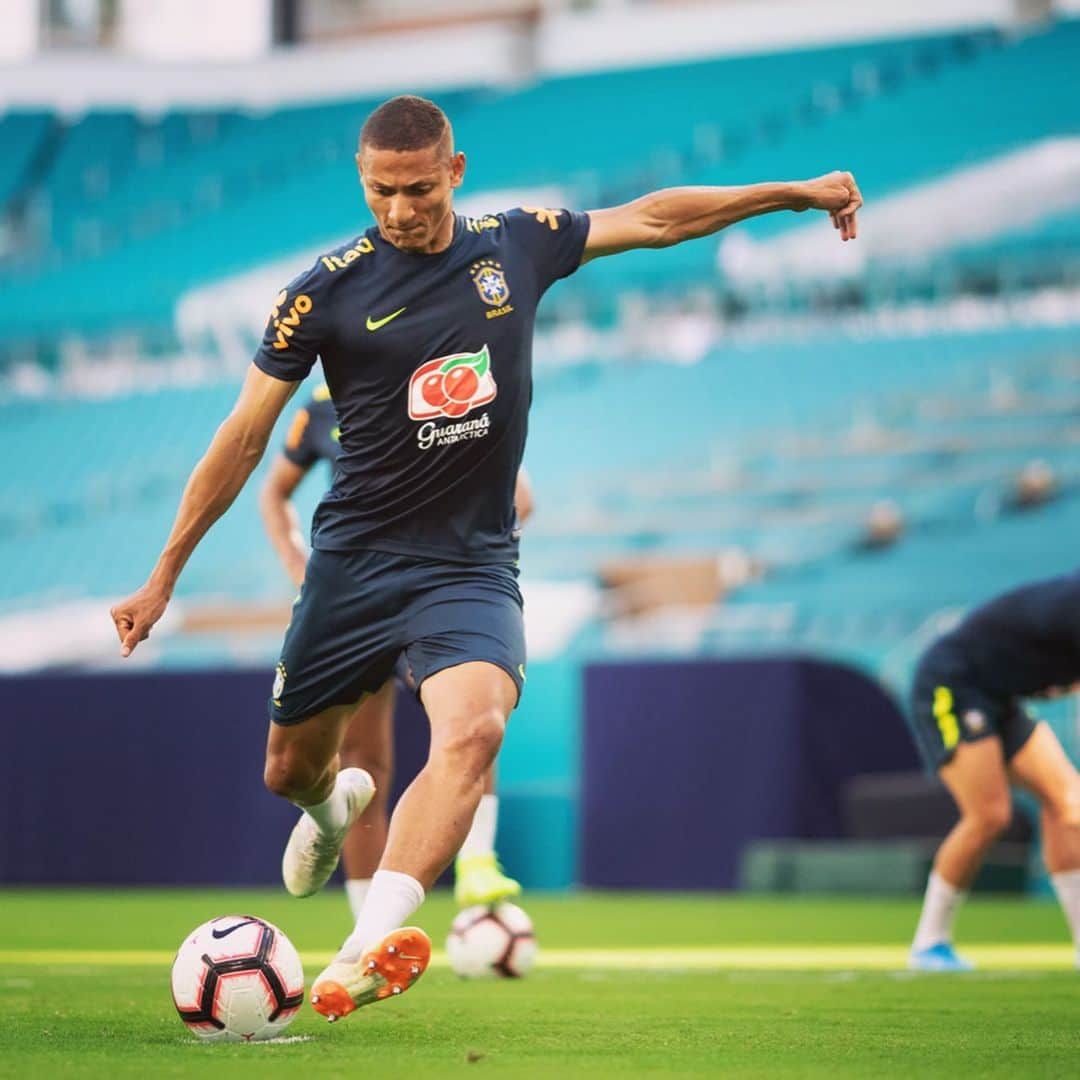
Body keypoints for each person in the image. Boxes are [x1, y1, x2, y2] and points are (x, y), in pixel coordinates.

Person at [110, 93, 862, 1022]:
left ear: (454, 173)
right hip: (354, 565)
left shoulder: (516, 244)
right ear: (362, 180)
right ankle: (329, 808)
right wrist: (163, 574)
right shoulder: (322, 292)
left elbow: (656, 218)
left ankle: (363, 946)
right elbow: (242, 439)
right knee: (289, 772)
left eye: (418, 188)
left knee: (475, 731)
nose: (399, 210)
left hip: (467, 567)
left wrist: (792, 192)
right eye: (381, 191)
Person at [258, 381, 532, 915]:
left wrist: (480, 559)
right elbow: (274, 491)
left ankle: (477, 863)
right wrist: (299, 566)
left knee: (467, 719)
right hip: (358, 593)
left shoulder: (432, 379)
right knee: (360, 761)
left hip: (436, 591)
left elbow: (520, 494)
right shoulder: (318, 405)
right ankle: (369, 924)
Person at [907, 570, 1080, 971]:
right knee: (989, 815)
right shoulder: (1071, 605)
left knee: (1067, 799)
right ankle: (928, 943)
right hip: (952, 684)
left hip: (1000, 695)